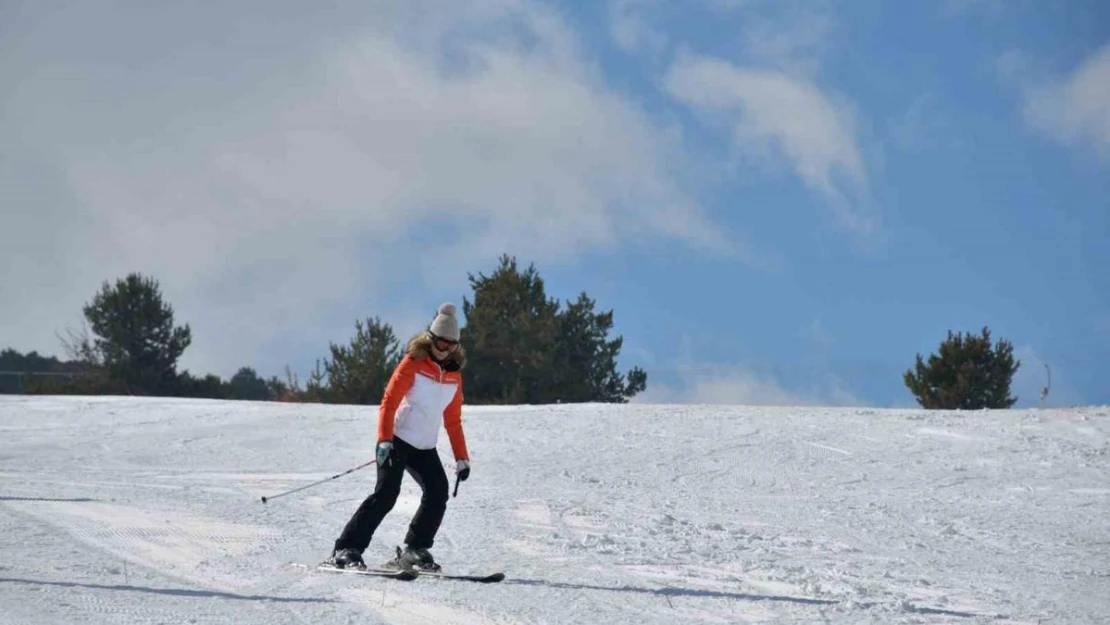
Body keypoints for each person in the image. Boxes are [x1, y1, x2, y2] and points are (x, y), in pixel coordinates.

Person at [326, 302, 471, 571]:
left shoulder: (454, 376)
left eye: (451, 345)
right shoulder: (413, 363)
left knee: (438, 493)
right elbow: (389, 401)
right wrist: (384, 439)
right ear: (431, 338)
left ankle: (415, 549)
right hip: (397, 439)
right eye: (441, 342)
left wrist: (462, 458)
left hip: (424, 446)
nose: (445, 349)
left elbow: (452, 420)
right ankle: (346, 548)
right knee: (386, 494)